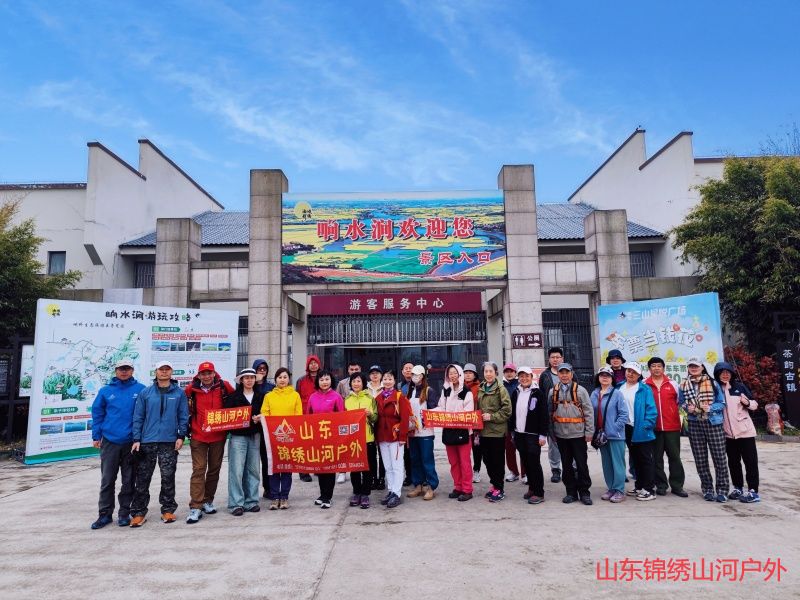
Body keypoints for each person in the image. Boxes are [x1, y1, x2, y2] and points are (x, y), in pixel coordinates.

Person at [129, 361, 189, 527]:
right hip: (147, 441)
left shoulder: (179, 393)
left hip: (169, 441)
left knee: (168, 477)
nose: (164, 372)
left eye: (167, 369)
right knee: (143, 478)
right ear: (156, 372)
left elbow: (183, 416)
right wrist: (136, 439)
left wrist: (181, 436)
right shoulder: (146, 393)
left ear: (171, 372)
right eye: (161, 369)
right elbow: (138, 417)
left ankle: (168, 510)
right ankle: (139, 512)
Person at [90, 358, 146, 529]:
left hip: (131, 443)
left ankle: (124, 513)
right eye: (121, 369)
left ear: (132, 370)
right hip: (110, 441)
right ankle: (105, 514)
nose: (124, 371)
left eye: (127, 368)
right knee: (107, 480)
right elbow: (97, 413)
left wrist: (140, 438)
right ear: (116, 371)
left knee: (128, 480)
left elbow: (145, 414)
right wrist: (96, 435)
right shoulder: (105, 391)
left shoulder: (141, 389)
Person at [184, 361, 234, 523]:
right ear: (198, 375)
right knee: (199, 469)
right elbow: (184, 410)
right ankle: (195, 506)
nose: (206, 376)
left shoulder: (224, 387)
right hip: (198, 436)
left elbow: (236, 402)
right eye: (203, 374)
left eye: (209, 373)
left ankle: (207, 500)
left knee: (214, 470)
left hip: (218, 436)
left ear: (214, 373)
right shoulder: (191, 390)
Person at [679, 357, 730, 502]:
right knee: (700, 459)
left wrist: (711, 408)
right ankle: (707, 489)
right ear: (688, 368)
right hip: (694, 423)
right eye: (691, 366)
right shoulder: (683, 385)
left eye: (696, 366)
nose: (694, 368)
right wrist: (687, 408)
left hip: (713, 422)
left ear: (702, 367)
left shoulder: (713, 382)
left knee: (719, 458)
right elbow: (681, 402)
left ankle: (722, 490)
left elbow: (722, 403)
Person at [714, 361, 761, 503]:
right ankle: (738, 488)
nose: (725, 375)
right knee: (733, 462)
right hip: (728, 434)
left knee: (750, 462)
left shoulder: (739, 387)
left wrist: (747, 402)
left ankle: (753, 491)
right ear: (717, 375)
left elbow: (754, 405)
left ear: (732, 374)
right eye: (722, 373)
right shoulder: (716, 389)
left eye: (727, 372)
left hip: (745, 432)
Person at [549, 363, 594, 505]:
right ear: (558, 374)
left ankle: (585, 493)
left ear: (571, 374)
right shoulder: (553, 391)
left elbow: (588, 411)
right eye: (561, 373)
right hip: (561, 435)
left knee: (581, 465)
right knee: (566, 465)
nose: (564, 375)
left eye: (566, 372)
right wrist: (551, 432)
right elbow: (550, 413)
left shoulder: (581, 391)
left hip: (578, 434)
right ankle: (571, 492)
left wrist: (589, 431)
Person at [222, 368, 265, 517]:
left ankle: (251, 501)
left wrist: (261, 417)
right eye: (246, 378)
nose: (249, 380)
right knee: (236, 470)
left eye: (252, 377)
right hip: (238, 437)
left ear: (255, 380)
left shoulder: (261, 396)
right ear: (241, 380)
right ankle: (236, 503)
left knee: (253, 469)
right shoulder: (233, 397)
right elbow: (226, 417)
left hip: (255, 435)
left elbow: (267, 412)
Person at [259, 367, 303, 509]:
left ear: (289, 379)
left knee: (286, 468)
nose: (282, 380)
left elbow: (298, 415)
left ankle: (284, 497)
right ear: (276, 379)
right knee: (274, 468)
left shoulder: (295, 395)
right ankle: (274, 497)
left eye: (285, 377)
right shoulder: (269, 396)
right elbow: (264, 412)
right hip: (273, 438)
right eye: (279, 377)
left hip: (289, 437)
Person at [644, 357, 688, 497]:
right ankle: (661, 485)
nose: (656, 368)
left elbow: (680, 402)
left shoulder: (673, 384)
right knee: (656, 459)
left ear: (663, 368)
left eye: (659, 366)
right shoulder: (644, 384)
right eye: (653, 366)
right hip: (653, 428)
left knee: (675, 457)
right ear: (649, 369)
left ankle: (677, 486)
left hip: (672, 427)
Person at [618, 362, 658, 502]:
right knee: (635, 459)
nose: (630, 374)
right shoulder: (619, 387)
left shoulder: (644, 389)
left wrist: (646, 425)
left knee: (645, 459)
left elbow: (651, 410)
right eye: (629, 371)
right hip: (626, 428)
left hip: (640, 428)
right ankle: (639, 485)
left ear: (639, 375)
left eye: (634, 372)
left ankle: (649, 489)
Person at [590, 367, 629, 503]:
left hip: (615, 435)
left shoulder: (617, 394)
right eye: (602, 375)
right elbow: (590, 412)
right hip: (600, 435)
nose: (605, 377)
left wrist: (614, 428)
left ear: (612, 378)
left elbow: (624, 414)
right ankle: (611, 488)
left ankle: (619, 490)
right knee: (607, 464)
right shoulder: (594, 393)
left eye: (608, 375)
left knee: (617, 464)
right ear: (598, 378)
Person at [307, 369, 345, 508]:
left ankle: (328, 497)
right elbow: (308, 416)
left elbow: (342, 417)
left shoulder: (336, 397)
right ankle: (322, 494)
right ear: (318, 381)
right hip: (317, 437)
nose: (324, 382)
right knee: (320, 467)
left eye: (327, 379)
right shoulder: (312, 397)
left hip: (331, 437)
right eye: (321, 379)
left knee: (329, 468)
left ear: (331, 380)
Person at [510, 366, 547, 504]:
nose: (524, 378)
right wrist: (512, 431)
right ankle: (532, 488)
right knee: (525, 462)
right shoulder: (516, 392)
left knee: (534, 463)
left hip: (533, 434)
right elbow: (513, 413)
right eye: (521, 376)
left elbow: (543, 415)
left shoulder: (538, 393)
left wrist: (543, 435)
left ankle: (539, 493)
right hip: (519, 433)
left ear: (531, 377)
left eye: (527, 376)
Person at [375, 370, 412, 508]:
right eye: (385, 379)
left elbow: (405, 418)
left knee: (397, 466)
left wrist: (403, 437)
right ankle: (391, 490)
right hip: (382, 437)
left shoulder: (399, 396)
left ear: (394, 381)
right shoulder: (378, 398)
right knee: (388, 466)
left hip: (396, 436)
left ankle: (397, 493)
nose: (387, 381)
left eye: (390, 379)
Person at [438, 364, 475, 501]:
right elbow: (441, 407)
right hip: (448, 431)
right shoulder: (445, 391)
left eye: (455, 373)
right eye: (450, 373)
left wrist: (453, 417)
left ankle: (467, 489)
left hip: (463, 431)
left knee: (464, 462)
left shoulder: (466, 392)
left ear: (460, 374)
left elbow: (468, 412)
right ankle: (458, 487)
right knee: (453, 462)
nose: (452, 375)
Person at [477, 361, 512, 502]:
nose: (488, 374)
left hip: (497, 432)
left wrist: (492, 417)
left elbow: (507, 410)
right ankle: (494, 484)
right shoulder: (481, 388)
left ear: (496, 373)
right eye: (486, 371)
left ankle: (499, 488)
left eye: (491, 371)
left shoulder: (501, 389)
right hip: (483, 431)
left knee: (497, 461)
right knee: (487, 460)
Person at [404, 365, 439, 501]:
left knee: (427, 460)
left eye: (418, 375)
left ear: (423, 376)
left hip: (425, 432)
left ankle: (431, 487)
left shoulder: (429, 391)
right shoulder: (410, 391)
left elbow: (435, 410)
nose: (415, 377)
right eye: (413, 374)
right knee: (415, 459)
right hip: (412, 432)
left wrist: (424, 419)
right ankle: (418, 485)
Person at [345, 372, 377, 508]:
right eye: (353, 381)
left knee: (367, 468)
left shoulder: (370, 398)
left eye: (358, 381)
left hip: (367, 438)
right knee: (354, 468)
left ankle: (365, 494)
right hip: (352, 440)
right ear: (350, 383)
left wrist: (370, 415)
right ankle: (356, 492)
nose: (356, 384)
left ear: (363, 383)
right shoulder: (346, 400)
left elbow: (376, 418)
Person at [538, 347, 565, 483]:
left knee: (570, 443)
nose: (555, 360)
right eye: (553, 357)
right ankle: (555, 469)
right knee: (553, 444)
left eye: (557, 357)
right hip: (551, 414)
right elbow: (541, 395)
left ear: (562, 358)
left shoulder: (570, 373)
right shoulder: (545, 375)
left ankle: (572, 468)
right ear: (549, 359)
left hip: (569, 415)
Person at [295, 355, 321, 482]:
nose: (313, 365)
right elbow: (297, 398)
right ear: (307, 365)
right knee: (304, 445)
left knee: (318, 444)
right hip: (304, 416)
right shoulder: (301, 380)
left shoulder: (323, 378)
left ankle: (318, 468)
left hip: (319, 416)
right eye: (311, 363)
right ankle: (304, 472)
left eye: (315, 363)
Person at [335, 361, 361, 484]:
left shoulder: (364, 382)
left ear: (360, 370)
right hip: (345, 418)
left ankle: (360, 470)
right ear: (348, 370)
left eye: (356, 369)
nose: (354, 371)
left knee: (358, 447)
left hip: (360, 420)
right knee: (344, 446)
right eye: (352, 369)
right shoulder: (342, 383)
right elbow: (337, 399)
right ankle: (342, 472)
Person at [253, 359, 275, 499]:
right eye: (259, 368)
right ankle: (251, 491)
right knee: (252, 462)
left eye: (264, 368)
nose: (262, 371)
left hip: (267, 428)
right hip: (252, 427)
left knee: (267, 460)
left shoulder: (271, 387)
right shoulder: (249, 384)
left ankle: (268, 488)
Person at [502, 363, 524, 484]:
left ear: (515, 373)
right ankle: (514, 472)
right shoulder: (501, 385)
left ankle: (525, 473)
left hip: (520, 422)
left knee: (523, 449)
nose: (509, 373)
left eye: (511, 371)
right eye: (507, 371)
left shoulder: (520, 384)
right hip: (506, 423)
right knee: (509, 450)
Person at [367, 365, 386, 490]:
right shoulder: (365, 388)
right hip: (368, 425)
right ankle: (373, 478)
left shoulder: (386, 388)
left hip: (382, 424)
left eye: (377, 373)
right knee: (371, 454)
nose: (375, 375)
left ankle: (382, 478)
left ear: (381, 375)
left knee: (382, 453)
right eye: (372, 373)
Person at [463, 363, 483, 484]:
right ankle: (466, 471)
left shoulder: (480, 387)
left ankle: (476, 470)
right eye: (466, 373)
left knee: (476, 449)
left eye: (470, 373)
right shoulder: (459, 386)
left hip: (475, 423)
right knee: (464, 449)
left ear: (475, 375)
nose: (468, 375)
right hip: (463, 423)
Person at [398, 361, 415, 486]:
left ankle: (419, 476)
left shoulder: (419, 385)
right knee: (406, 452)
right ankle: (409, 476)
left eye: (410, 368)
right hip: (403, 421)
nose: (408, 370)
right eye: (406, 368)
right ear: (402, 372)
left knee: (417, 450)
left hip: (416, 421)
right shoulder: (399, 386)